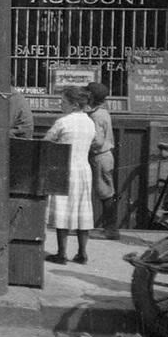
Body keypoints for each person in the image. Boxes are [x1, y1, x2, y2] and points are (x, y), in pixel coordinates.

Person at [44, 86, 97, 265]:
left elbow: (46, 142)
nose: (60, 104)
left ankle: (62, 253)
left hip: (64, 169)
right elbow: (95, 142)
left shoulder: (63, 122)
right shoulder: (90, 122)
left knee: (63, 211)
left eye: (63, 102)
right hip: (83, 170)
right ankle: (82, 253)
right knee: (83, 210)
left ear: (74, 105)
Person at [85, 81, 119, 239]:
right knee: (105, 191)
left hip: (100, 156)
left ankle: (111, 230)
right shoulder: (101, 112)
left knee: (105, 192)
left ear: (91, 97)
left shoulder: (97, 115)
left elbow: (97, 141)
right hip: (103, 156)